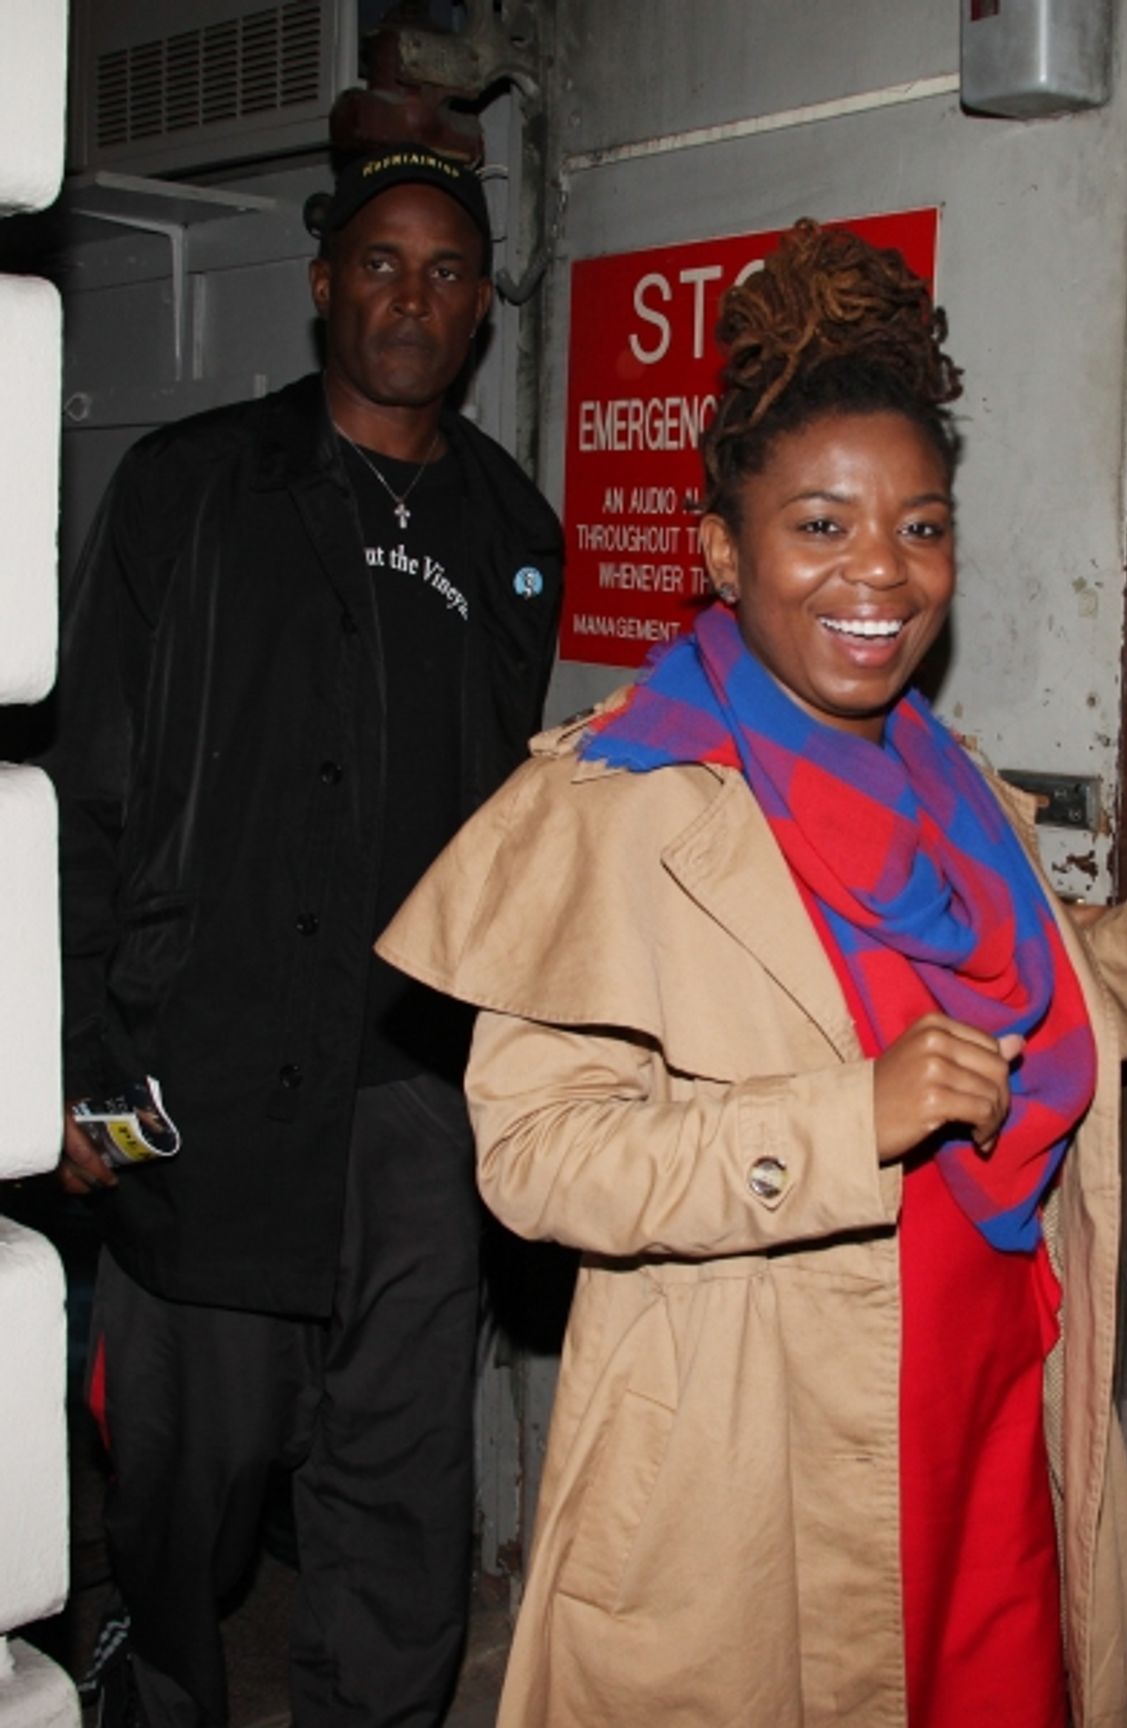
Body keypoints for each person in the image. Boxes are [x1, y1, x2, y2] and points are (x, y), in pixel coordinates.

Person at [379, 220, 1127, 1728]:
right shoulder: (628, 801)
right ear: (723, 551)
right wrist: (835, 1118)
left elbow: (996, 1038)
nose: (883, 574)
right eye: (821, 526)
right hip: (765, 1455)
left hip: (994, 1393)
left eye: (921, 527)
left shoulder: (958, 785)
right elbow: (537, 1161)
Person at [43, 144, 563, 1727]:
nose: (415, 296)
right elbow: (84, 795)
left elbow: (499, 833)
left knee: (399, 1487)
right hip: (198, 1068)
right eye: (383, 263)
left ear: (480, 310)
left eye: (449, 271)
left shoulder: (511, 531)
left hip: (415, 1092)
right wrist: (67, 1065)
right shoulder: (189, 488)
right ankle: (164, 1690)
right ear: (326, 278)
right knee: (185, 1483)